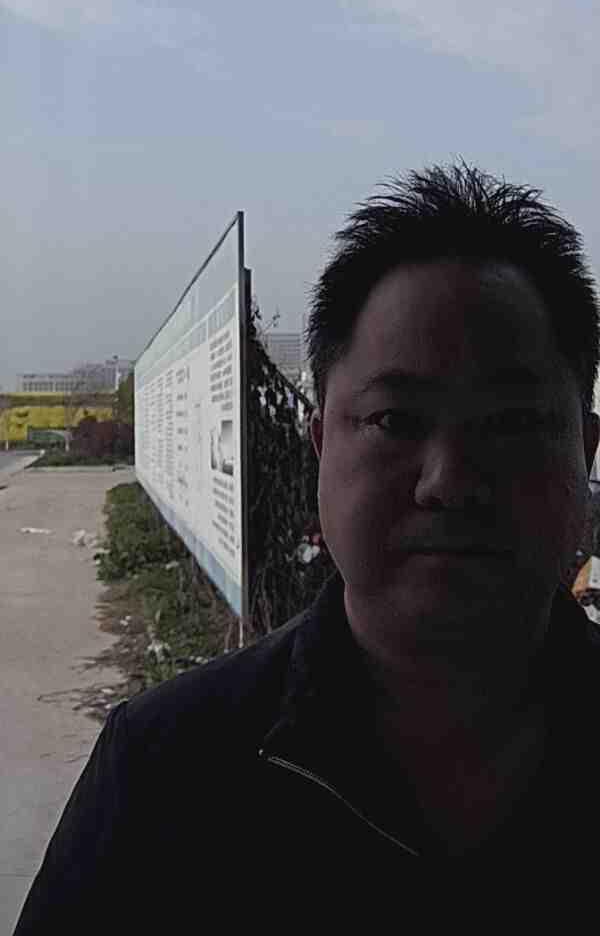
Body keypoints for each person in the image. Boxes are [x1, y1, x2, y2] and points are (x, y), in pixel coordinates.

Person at [14, 162, 600, 929]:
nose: (450, 482)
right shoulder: (163, 769)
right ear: (322, 444)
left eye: (512, 423)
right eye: (395, 420)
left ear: (585, 451)